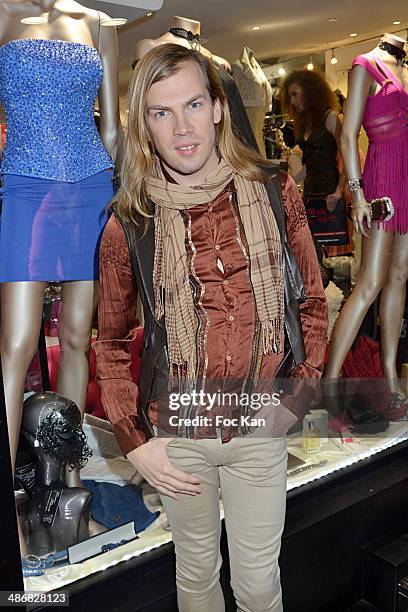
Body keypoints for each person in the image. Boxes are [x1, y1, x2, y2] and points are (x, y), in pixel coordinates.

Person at [94, 44, 327, 612]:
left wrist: (295, 398)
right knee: (196, 578)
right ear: (144, 126)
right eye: (161, 112)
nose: (182, 128)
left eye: (194, 104)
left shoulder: (275, 192)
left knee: (258, 586)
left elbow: (313, 304)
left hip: (256, 425)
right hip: (178, 433)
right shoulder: (130, 221)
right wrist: (135, 442)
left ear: (219, 107)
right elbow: (109, 340)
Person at [0, 0, 119, 550]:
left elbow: (113, 129)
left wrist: (119, 202)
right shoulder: (3, 16)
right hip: (24, 185)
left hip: (91, 184)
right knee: (17, 346)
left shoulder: (99, 23)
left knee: (77, 339)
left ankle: (68, 492)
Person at [325, 33, 408, 417]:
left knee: (399, 276)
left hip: (407, 178)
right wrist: (357, 195)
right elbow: (347, 135)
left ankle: (390, 374)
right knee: (370, 283)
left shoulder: (404, 70)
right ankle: (329, 379)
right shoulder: (365, 64)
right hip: (381, 182)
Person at [281, 69, 346, 238]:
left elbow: (348, 156)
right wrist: (291, 183)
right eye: (290, 97)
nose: (292, 101)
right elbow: (310, 163)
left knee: (332, 247)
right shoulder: (305, 123)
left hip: (330, 193)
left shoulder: (330, 117)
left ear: (310, 92)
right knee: (313, 245)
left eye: (295, 94)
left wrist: (339, 191)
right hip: (310, 193)